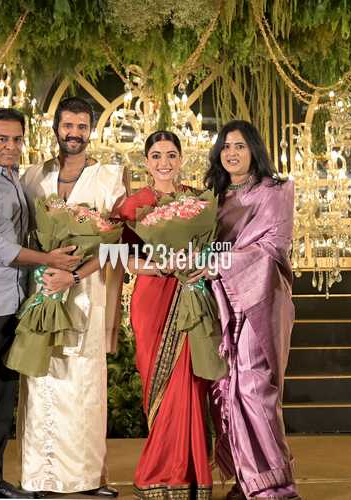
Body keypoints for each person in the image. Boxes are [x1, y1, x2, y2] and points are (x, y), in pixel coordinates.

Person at [0, 97, 125, 497]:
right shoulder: (33, 175)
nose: (74, 133)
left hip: (77, 295)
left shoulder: (108, 178)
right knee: (37, 386)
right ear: (56, 128)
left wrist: (74, 274)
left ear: (91, 131)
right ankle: (35, 477)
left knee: (80, 388)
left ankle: (84, 478)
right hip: (35, 294)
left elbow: (118, 245)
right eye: (68, 125)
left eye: (82, 126)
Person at [200, 120, 301, 500]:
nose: (232, 153)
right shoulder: (215, 198)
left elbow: (273, 247)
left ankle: (275, 483)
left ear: (254, 149)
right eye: (226, 146)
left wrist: (217, 262)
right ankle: (247, 480)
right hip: (222, 301)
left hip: (261, 300)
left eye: (240, 146)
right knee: (227, 388)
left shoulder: (275, 192)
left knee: (255, 387)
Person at [115, 131, 212, 499]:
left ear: (181, 158)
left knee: (189, 381)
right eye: (156, 156)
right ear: (146, 162)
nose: (164, 163)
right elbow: (123, 259)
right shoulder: (133, 206)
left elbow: (212, 248)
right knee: (158, 381)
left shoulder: (198, 201)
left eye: (171, 155)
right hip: (152, 299)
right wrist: (158, 267)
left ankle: (188, 473)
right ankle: (160, 471)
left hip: (189, 295)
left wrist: (198, 262)